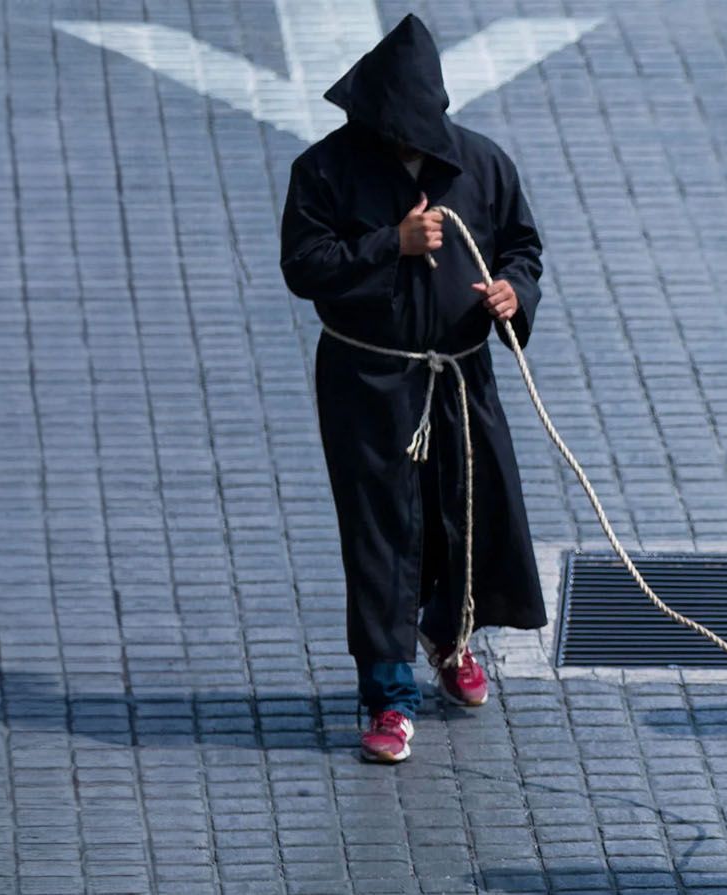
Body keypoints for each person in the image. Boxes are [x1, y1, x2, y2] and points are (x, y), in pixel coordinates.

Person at [279, 14, 547, 763]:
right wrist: (388, 244)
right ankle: (389, 694)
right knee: (381, 535)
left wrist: (513, 295)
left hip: (461, 378)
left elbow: (523, 246)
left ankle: (448, 631)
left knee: (469, 516)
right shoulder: (324, 172)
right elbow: (305, 266)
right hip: (369, 384)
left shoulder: (482, 166)